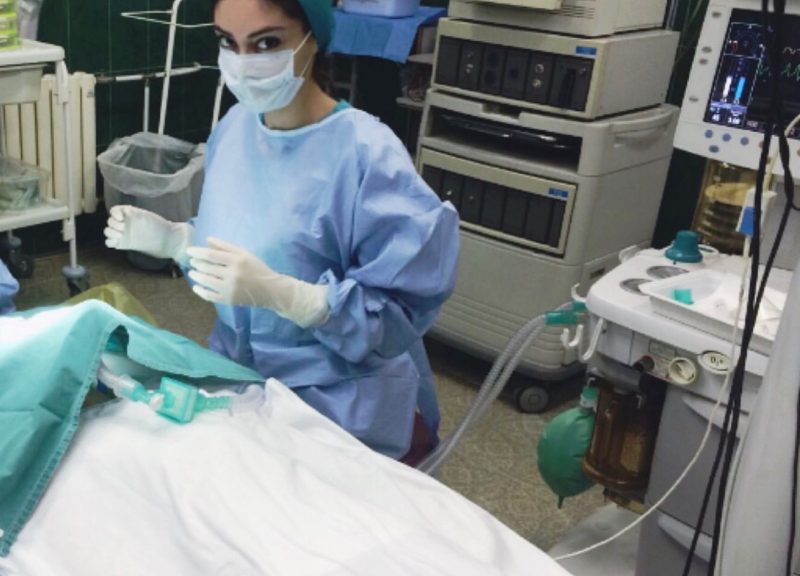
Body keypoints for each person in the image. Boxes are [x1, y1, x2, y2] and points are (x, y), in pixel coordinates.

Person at [104, 0, 459, 464]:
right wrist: (179, 243)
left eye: (266, 43)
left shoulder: (366, 155)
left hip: (337, 404)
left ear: (313, 40)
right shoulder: (234, 130)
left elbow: (396, 314)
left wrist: (291, 297)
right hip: (241, 380)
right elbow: (244, 238)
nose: (243, 63)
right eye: (227, 42)